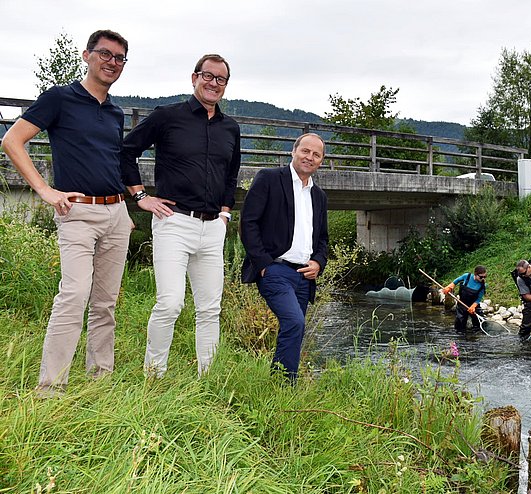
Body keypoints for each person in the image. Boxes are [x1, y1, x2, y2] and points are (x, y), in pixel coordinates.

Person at [1, 30, 132, 395]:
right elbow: (12, 141)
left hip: (116, 214)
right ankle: (50, 387)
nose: (112, 62)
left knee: (106, 303)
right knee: (74, 295)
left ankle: (99, 379)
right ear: (87, 55)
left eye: (120, 58)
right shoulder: (60, 98)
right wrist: (44, 190)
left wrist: (125, 207)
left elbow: (111, 161)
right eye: (105, 54)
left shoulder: (115, 112)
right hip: (77, 214)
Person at [120, 54, 241, 377]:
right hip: (173, 222)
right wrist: (141, 196)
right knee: (170, 303)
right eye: (208, 76)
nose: (214, 83)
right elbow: (125, 151)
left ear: (226, 85)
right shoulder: (167, 117)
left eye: (221, 79)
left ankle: (207, 378)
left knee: (210, 309)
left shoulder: (231, 128)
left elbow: (231, 175)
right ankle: (154, 376)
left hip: (213, 227)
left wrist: (226, 214)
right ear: (194, 78)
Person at [240, 133, 329, 383]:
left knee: (294, 330)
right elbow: (248, 222)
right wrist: (264, 265)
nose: (309, 157)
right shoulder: (269, 179)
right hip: (275, 270)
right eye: (305, 151)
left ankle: (282, 384)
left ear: (321, 161)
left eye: (316, 154)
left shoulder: (319, 196)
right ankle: (284, 384)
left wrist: (318, 263)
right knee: (294, 322)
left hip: (304, 276)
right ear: (294, 151)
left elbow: (322, 238)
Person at [441, 265, 487, 332]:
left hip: (474, 306)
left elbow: (479, 299)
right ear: (475, 274)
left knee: (478, 327)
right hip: (462, 305)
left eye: (485, 277)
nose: (483, 279)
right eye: (481, 277)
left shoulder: (483, 286)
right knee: (459, 327)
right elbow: (456, 281)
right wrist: (449, 287)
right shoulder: (467, 276)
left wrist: (473, 306)